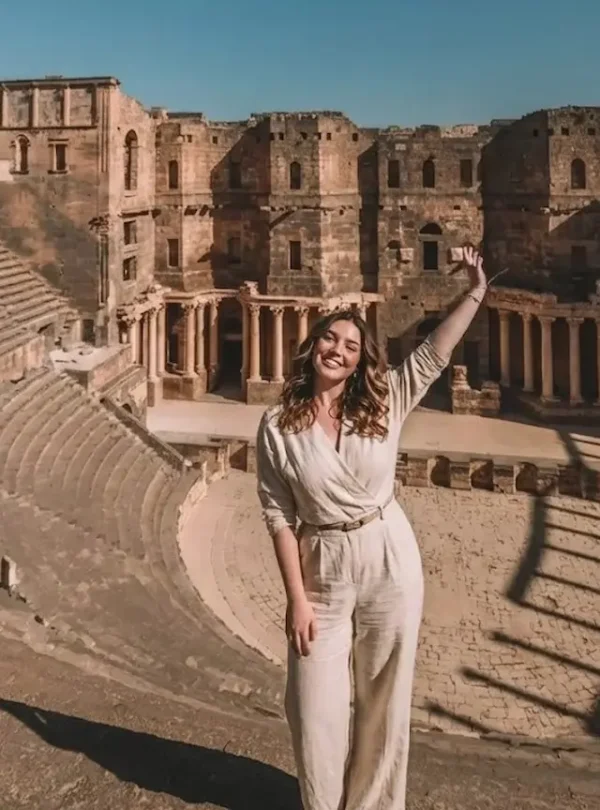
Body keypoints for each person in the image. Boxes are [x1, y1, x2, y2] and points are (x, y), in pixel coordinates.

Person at [256, 246, 487, 810]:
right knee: (314, 710)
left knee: (384, 700)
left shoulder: (384, 401)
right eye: (331, 339)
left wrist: (477, 290)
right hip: (323, 566)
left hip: (388, 553)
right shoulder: (277, 426)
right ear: (313, 348)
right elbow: (278, 516)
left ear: (362, 361)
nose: (339, 350)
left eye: (352, 346)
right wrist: (296, 600)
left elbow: (436, 351)